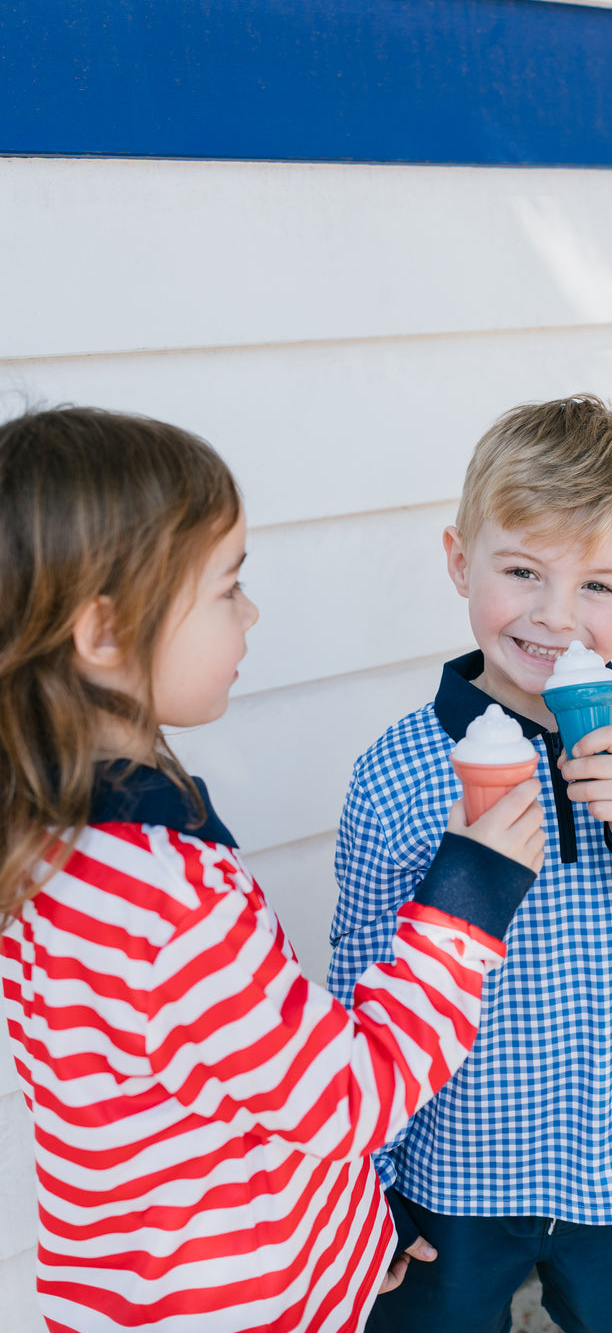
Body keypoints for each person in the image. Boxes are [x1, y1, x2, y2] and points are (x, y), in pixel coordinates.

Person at [0, 405, 544, 1333]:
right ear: (102, 633)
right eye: (226, 587)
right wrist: (469, 899)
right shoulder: (166, 892)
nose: (251, 612)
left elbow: (229, 1097)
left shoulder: (43, 846)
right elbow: (349, 1094)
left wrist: (351, 1236)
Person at [328, 393, 612, 1333]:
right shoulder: (400, 771)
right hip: (453, 1164)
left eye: (598, 587)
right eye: (523, 571)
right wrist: (371, 1187)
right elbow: (355, 989)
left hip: (607, 1156)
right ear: (458, 562)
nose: (557, 618)